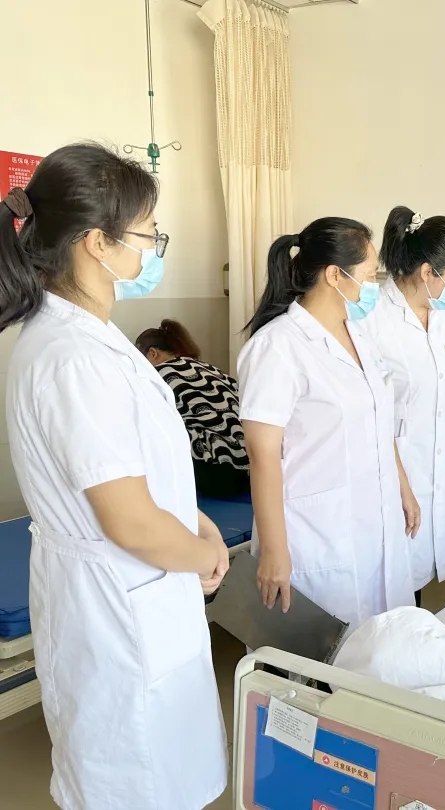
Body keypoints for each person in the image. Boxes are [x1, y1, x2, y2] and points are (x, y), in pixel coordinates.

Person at [0, 144, 228, 809]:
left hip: (135, 596)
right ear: (99, 242)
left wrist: (196, 522)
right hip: (118, 609)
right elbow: (129, 521)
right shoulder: (74, 357)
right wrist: (205, 555)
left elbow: (138, 472)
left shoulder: (92, 340)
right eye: (148, 232)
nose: (155, 247)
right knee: (135, 784)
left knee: (161, 771)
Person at [238, 217, 413, 628]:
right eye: (370, 276)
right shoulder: (276, 347)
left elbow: (377, 420)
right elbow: (263, 456)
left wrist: (402, 486)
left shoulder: (359, 336)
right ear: (335, 275)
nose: (374, 285)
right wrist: (274, 551)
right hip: (316, 533)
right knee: (321, 656)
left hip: (376, 519)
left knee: (382, 643)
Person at [361, 206, 445, 608]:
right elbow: (369, 412)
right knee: (391, 583)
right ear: (429, 272)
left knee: (419, 579)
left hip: (436, 466)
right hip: (391, 470)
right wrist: (401, 484)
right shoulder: (372, 317)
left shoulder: (444, 317)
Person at [136, 318, 250, 499]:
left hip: (218, 474)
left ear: (152, 353)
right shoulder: (210, 369)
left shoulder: (157, 377)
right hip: (251, 465)